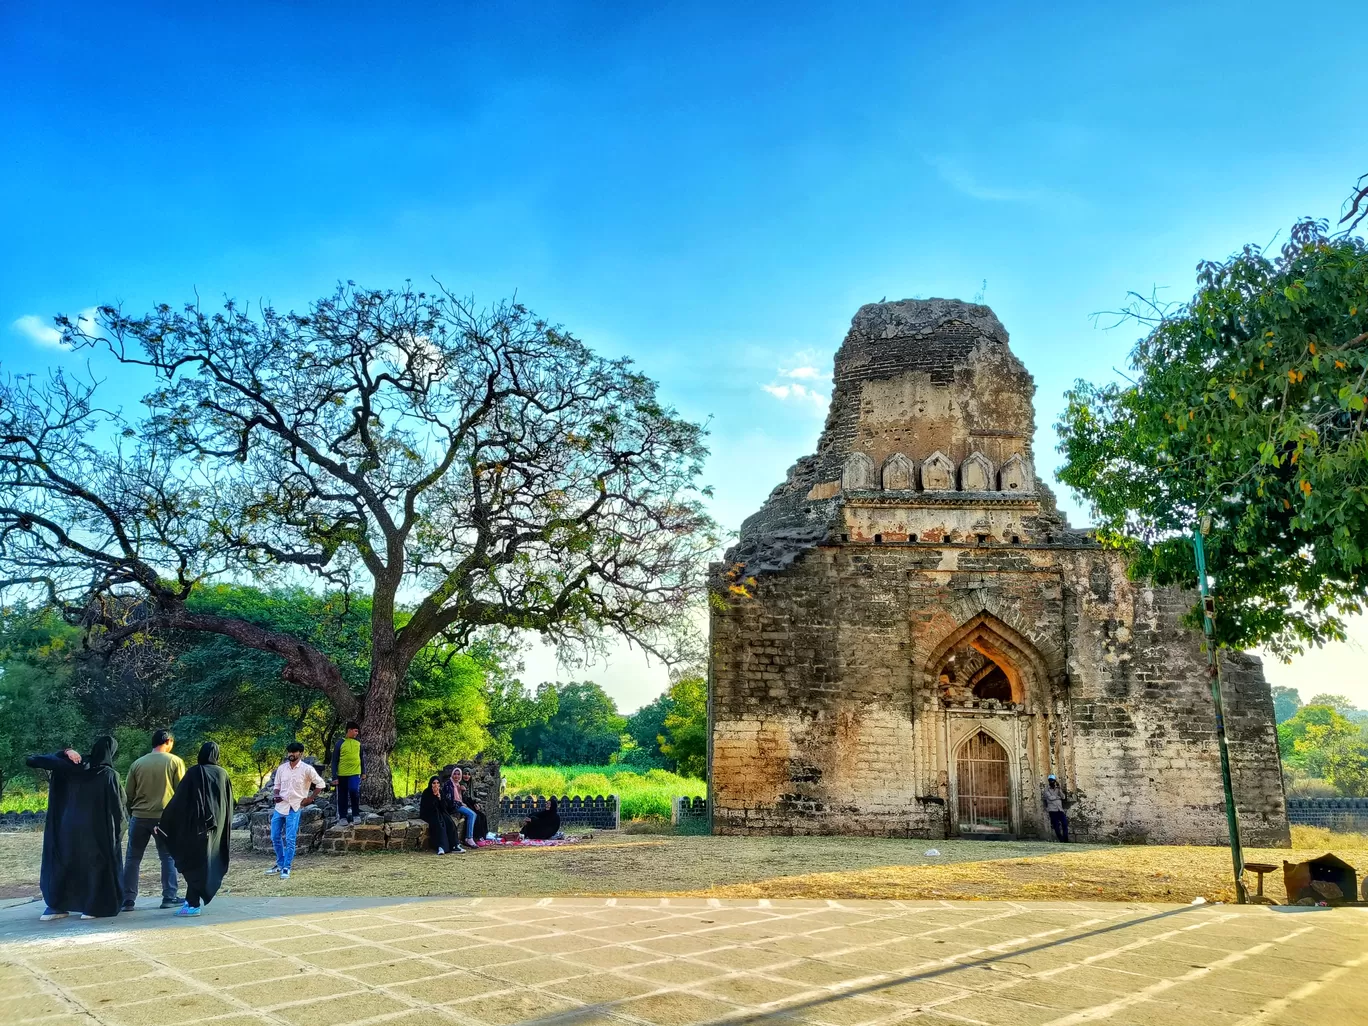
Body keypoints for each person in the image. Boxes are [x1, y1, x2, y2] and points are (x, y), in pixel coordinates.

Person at [26, 736, 127, 920]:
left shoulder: (73, 766)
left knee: (64, 863)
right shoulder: (109, 775)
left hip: (66, 827)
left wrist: (64, 753)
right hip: (95, 831)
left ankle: (56, 906)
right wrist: (118, 834)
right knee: (96, 867)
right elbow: (118, 809)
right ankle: (93, 908)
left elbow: (33, 759)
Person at [157, 742, 234, 916]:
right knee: (206, 863)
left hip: (196, 828)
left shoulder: (194, 772)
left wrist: (164, 824)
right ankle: (191, 901)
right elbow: (229, 804)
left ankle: (192, 905)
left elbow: (179, 802)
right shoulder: (223, 774)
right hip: (217, 828)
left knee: (195, 863)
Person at [121, 729, 185, 911]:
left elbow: (129, 794)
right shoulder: (175, 761)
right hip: (164, 818)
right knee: (167, 857)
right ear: (168, 741)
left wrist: (132, 811)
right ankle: (169, 896)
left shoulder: (137, 764)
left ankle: (128, 899)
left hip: (139, 817)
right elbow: (181, 792)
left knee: (133, 857)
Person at [268, 742, 326, 880]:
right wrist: (276, 794)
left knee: (290, 838)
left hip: (294, 807)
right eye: (289, 752)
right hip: (280, 806)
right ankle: (280, 864)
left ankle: (287, 866)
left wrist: (310, 798)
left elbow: (321, 784)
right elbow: (277, 785)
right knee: (275, 836)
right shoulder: (282, 769)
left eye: (294, 752)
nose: (291, 754)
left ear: (300, 753)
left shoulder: (307, 769)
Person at [329, 721, 366, 826]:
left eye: (357, 731)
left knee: (354, 792)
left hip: (355, 773)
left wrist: (363, 772)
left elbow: (361, 759)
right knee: (342, 795)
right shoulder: (339, 743)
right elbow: (334, 761)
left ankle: (356, 815)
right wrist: (334, 776)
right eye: (355, 731)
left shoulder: (358, 744)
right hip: (342, 774)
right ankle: (343, 817)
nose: (357, 733)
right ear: (349, 730)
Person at [440, 764, 477, 851]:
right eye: (455, 774)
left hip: (458, 804)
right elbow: (450, 800)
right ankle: (469, 838)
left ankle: (470, 837)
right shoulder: (449, 784)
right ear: (452, 775)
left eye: (458, 774)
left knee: (474, 814)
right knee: (472, 815)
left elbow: (460, 798)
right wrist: (460, 804)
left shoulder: (457, 785)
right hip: (453, 807)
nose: (456, 776)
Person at [418, 775, 459, 854]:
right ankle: (441, 846)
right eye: (434, 783)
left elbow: (444, 806)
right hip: (429, 813)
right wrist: (434, 797)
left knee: (449, 822)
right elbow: (428, 807)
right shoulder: (427, 792)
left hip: (439, 812)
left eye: (437, 783)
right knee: (439, 824)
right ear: (431, 784)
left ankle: (455, 845)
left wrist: (439, 797)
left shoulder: (441, 792)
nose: (436, 785)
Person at [454, 767, 489, 841]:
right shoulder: (460, 784)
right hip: (463, 803)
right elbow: (462, 797)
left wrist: (475, 803)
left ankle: (483, 835)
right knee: (476, 816)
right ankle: (474, 837)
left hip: (470, 802)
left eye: (468, 774)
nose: (466, 776)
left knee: (482, 816)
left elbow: (471, 797)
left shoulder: (470, 784)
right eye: (465, 774)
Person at [1043, 774, 1069, 842]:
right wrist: (1058, 797)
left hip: (1060, 809)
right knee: (1056, 826)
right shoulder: (1046, 790)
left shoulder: (1058, 789)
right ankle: (1060, 838)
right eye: (1050, 781)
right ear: (1048, 781)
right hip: (1052, 810)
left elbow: (1063, 797)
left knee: (1064, 824)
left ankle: (1065, 839)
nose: (1052, 782)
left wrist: (1059, 789)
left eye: (1053, 781)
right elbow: (1050, 798)